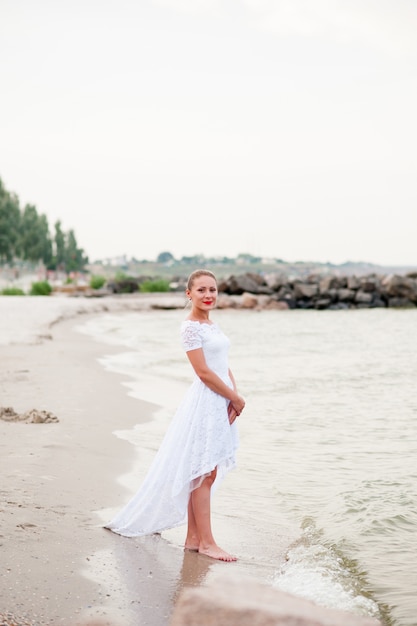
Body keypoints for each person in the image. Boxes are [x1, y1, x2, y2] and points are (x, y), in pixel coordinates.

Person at [105, 269, 245, 561]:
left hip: (221, 399)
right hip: (207, 401)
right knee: (204, 471)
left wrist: (235, 393)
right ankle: (207, 543)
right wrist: (233, 396)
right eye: (202, 290)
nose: (209, 295)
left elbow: (221, 364)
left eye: (213, 290)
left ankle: (193, 539)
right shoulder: (190, 327)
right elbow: (203, 372)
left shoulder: (212, 324)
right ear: (189, 294)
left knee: (206, 471)